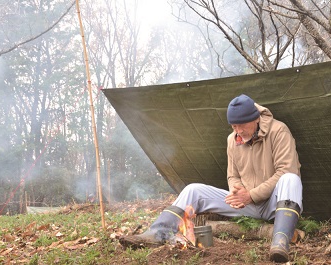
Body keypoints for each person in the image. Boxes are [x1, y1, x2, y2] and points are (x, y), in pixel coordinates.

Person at [119, 94, 303, 263]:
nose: (238, 131)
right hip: (246, 204)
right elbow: (233, 175)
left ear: (255, 119)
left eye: (242, 125)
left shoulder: (279, 131)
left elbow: (286, 169)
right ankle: (156, 233)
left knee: (290, 178)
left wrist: (251, 195)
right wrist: (237, 190)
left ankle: (280, 243)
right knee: (193, 189)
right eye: (234, 126)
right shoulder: (233, 139)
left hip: (274, 204)